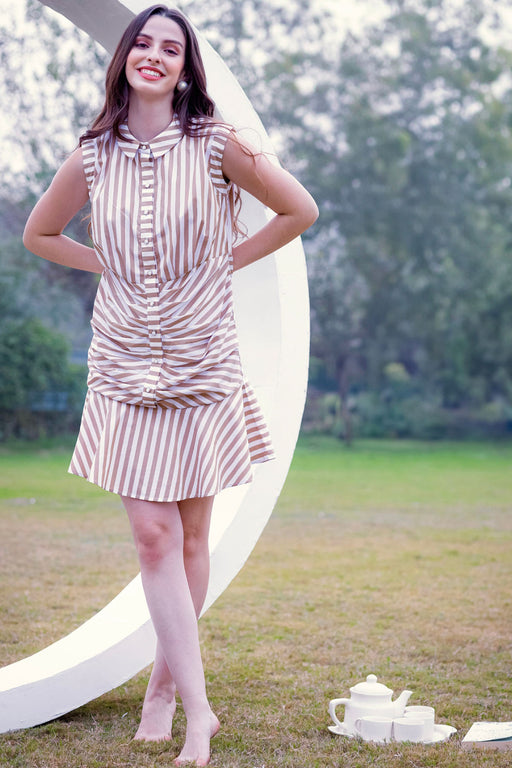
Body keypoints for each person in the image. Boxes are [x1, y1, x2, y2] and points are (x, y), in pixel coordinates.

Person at [23, 4, 318, 765]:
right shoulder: (92, 156)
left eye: (171, 48)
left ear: (186, 69)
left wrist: (225, 261)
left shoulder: (219, 144)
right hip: (124, 360)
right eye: (143, 43)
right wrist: (107, 265)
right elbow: (39, 233)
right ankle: (200, 712)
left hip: (202, 357)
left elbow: (299, 210)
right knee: (153, 536)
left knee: (191, 535)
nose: (154, 55)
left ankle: (162, 690)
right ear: (124, 57)